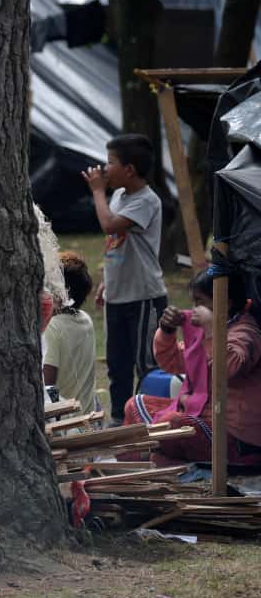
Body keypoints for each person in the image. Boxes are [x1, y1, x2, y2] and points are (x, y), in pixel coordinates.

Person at [125, 270, 261, 466]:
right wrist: (167, 330)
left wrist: (211, 329)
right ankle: (152, 456)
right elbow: (172, 363)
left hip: (233, 436)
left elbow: (228, 368)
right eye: (194, 303)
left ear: (226, 303)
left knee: (174, 424)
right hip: (199, 416)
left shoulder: (246, 332)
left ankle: (154, 455)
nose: (195, 309)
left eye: (201, 302)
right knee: (135, 404)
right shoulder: (208, 329)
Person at [82, 134, 168, 425]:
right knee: (117, 364)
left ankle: (148, 420)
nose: (105, 168)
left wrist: (97, 191)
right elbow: (117, 246)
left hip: (143, 297)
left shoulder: (147, 201)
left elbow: (110, 226)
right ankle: (119, 419)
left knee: (146, 365)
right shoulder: (120, 195)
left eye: (110, 162)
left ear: (129, 169)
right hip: (118, 296)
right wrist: (107, 281)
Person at [42, 252, 98, 414]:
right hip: (88, 416)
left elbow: (47, 388)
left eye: (49, 286)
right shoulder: (86, 319)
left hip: (66, 422)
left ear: (61, 294)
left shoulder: (52, 328)